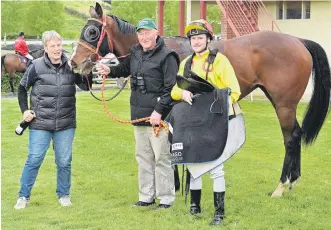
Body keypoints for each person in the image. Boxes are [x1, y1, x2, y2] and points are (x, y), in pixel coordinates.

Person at [95, 18, 179, 209]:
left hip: (159, 119)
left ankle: (166, 199)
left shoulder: (168, 56)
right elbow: (124, 69)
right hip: (138, 116)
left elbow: (171, 89)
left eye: (147, 32)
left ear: (156, 33)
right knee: (143, 158)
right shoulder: (135, 52)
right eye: (140, 33)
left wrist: (159, 111)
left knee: (162, 158)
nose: (144, 37)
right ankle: (146, 196)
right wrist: (110, 69)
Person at [170, 19, 244, 225]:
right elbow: (174, 90)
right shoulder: (186, 63)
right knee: (194, 160)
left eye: (200, 38)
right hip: (193, 121)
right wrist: (182, 92)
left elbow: (234, 91)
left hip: (215, 121)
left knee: (215, 164)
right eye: (193, 38)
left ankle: (219, 212)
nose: (196, 42)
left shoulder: (220, 61)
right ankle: (195, 207)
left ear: (208, 39)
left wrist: (217, 106)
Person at [14, 30, 92, 209]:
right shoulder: (36, 65)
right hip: (40, 123)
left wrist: (85, 70)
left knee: (64, 161)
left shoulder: (70, 65)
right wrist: (25, 110)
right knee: (34, 159)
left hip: (65, 123)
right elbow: (21, 89)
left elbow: (86, 87)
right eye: (52, 46)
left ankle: (64, 195)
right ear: (45, 48)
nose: (57, 49)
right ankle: (23, 196)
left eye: (59, 45)